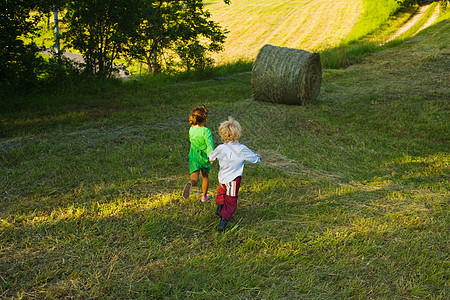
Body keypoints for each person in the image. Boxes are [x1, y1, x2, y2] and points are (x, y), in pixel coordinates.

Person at [209, 117, 260, 231]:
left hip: (222, 178)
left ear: (222, 134)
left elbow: (212, 156)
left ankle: (219, 207)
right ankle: (224, 220)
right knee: (231, 200)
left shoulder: (220, 148)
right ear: (237, 134)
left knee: (221, 192)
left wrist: (211, 159)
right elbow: (254, 159)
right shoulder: (241, 149)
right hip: (233, 180)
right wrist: (258, 156)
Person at [183, 105, 214, 202]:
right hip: (204, 158)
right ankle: (204, 196)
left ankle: (191, 183)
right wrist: (211, 156)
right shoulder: (206, 131)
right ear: (204, 120)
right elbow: (209, 145)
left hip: (194, 157)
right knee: (205, 176)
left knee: (195, 179)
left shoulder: (191, 130)